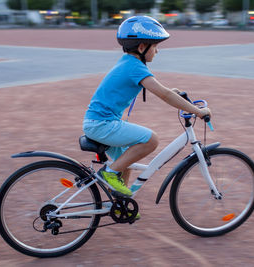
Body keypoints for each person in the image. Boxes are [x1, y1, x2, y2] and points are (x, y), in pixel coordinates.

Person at [83, 16, 211, 200]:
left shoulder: (129, 63)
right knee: (151, 140)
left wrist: (173, 92)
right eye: (156, 47)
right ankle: (108, 173)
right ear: (142, 47)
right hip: (102, 124)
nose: (157, 52)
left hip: (98, 123)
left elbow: (161, 89)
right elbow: (164, 94)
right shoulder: (135, 67)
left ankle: (120, 203)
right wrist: (197, 111)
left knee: (125, 161)